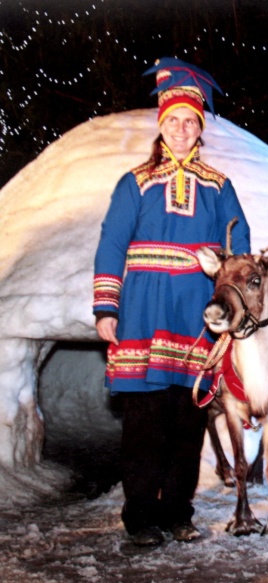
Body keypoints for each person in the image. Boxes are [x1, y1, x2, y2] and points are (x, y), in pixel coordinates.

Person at [93, 58, 251, 546]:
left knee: (188, 420)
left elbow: (239, 244)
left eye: (190, 122)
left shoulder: (219, 186)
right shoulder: (134, 183)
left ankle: (178, 512)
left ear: (199, 129)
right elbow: (111, 245)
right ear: (161, 127)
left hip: (195, 316)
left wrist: (231, 302)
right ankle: (141, 517)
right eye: (174, 122)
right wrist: (106, 307)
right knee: (144, 422)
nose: (182, 130)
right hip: (142, 309)